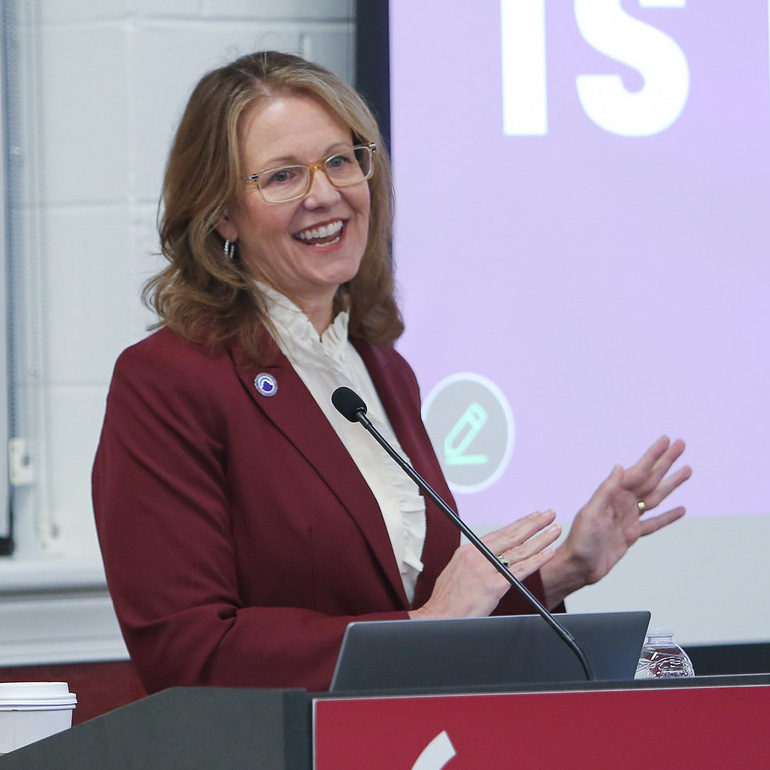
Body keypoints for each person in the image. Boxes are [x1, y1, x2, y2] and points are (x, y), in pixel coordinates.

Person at [92, 51, 691, 694]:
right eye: (283, 176)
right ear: (221, 215)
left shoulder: (380, 369)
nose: (324, 195)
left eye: (340, 161)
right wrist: (425, 622)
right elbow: (189, 649)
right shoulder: (169, 382)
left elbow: (431, 613)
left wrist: (565, 569)